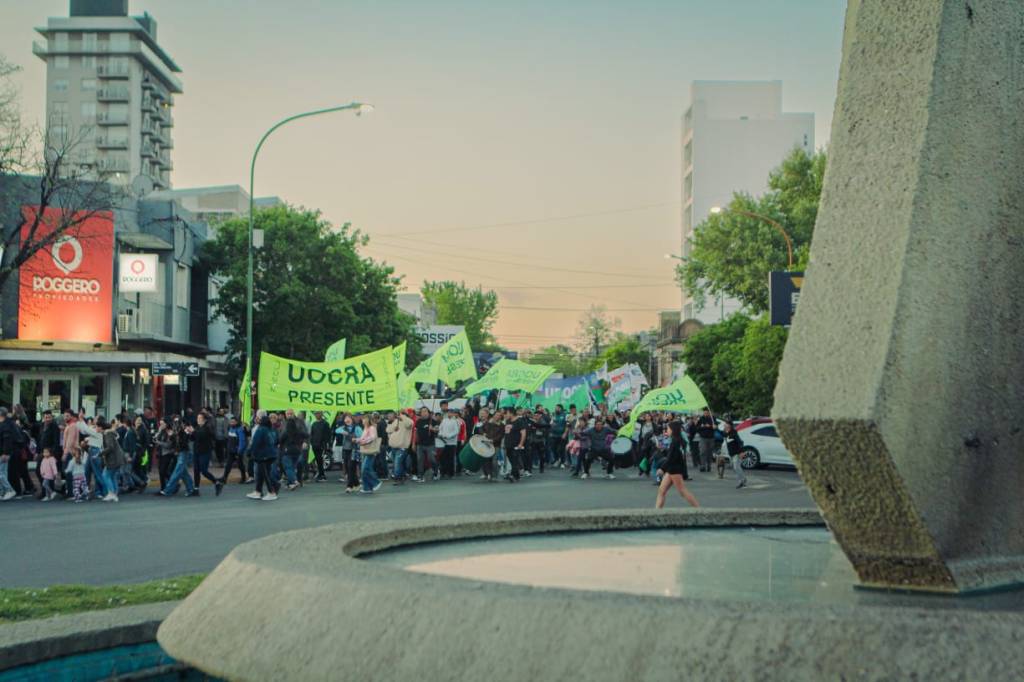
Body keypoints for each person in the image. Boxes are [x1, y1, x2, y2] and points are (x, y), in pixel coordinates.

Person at [656, 421, 700, 509]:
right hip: (672, 469)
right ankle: (657, 511)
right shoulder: (678, 440)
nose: (667, 430)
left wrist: (662, 469)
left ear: (673, 430)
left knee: (682, 491)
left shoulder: (675, 442)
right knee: (661, 490)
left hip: (675, 469)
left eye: (668, 429)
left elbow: (671, 458)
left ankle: (698, 509)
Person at [159, 418, 198, 498]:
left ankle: (168, 490)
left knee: (177, 472)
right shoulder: (177, 431)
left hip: (184, 452)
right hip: (180, 452)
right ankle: (191, 489)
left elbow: (186, 441)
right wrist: (172, 436)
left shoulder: (185, 431)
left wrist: (176, 435)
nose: (175, 425)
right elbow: (175, 442)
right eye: (174, 423)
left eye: (177, 423)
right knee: (183, 472)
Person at [246, 411, 279, 501]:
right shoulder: (271, 430)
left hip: (262, 455)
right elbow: (276, 441)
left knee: (265, 474)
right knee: (261, 473)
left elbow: (255, 442)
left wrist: (249, 452)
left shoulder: (260, 429)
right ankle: (258, 491)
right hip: (271, 454)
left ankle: (271, 492)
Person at [191, 412, 220, 494]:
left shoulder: (207, 427)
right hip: (196, 451)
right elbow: (193, 438)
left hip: (205, 452)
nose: (198, 420)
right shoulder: (197, 427)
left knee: (203, 470)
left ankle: (216, 482)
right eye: (197, 418)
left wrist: (193, 432)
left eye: (200, 418)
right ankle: (196, 488)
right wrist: (190, 433)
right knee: (196, 470)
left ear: (204, 419)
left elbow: (202, 435)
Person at [98, 417, 126, 502]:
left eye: (97, 427)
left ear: (101, 427)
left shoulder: (107, 434)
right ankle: (114, 493)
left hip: (114, 459)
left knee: (105, 475)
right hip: (117, 458)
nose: (96, 428)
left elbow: (110, 447)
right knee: (112, 476)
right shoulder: (108, 433)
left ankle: (111, 493)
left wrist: (101, 453)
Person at [386, 410, 414, 485]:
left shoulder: (408, 421)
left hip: (402, 447)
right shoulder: (395, 421)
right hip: (394, 447)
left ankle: (398, 478)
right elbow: (388, 430)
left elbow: (409, 424)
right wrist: (391, 424)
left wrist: (402, 417)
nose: (398, 415)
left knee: (397, 462)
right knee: (398, 463)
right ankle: (402, 476)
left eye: (401, 413)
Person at [336, 414, 363, 493]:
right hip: (345, 449)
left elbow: (361, 437)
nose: (347, 420)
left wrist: (356, 438)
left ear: (352, 419)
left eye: (348, 418)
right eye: (345, 419)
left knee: (351, 467)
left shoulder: (357, 428)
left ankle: (349, 486)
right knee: (349, 469)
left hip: (354, 449)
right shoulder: (343, 428)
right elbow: (336, 430)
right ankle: (357, 484)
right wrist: (343, 432)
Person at [221, 416, 249, 487]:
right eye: (231, 422)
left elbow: (242, 441)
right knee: (228, 465)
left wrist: (239, 451)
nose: (232, 423)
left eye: (233, 422)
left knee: (240, 465)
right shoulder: (231, 428)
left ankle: (243, 478)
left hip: (237, 451)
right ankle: (224, 478)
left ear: (236, 422)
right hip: (231, 450)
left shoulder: (240, 429)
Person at [413, 407, 438, 483]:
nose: (424, 413)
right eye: (422, 411)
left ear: (428, 412)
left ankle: (436, 472)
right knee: (420, 460)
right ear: (420, 413)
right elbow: (415, 433)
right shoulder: (418, 421)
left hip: (430, 444)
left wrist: (432, 429)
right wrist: (414, 443)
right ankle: (420, 476)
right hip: (420, 444)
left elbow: (437, 429)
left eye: (425, 411)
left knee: (431, 459)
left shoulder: (433, 421)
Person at [722, 420, 748, 489]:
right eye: (725, 424)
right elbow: (720, 433)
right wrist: (715, 428)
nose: (724, 425)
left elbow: (740, 442)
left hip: (737, 453)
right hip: (732, 454)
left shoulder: (734, 433)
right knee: (735, 468)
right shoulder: (725, 433)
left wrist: (742, 452)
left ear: (729, 425)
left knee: (736, 467)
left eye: (726, 424)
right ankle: (743, 479)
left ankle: (741, 481)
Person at [309, 411, 332, 483]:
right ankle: (320, 474)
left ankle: (322, 475)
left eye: (318, 413)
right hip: (314, 445)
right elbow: (312, 434)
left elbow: (328, 435)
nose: (317, 415)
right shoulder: (314, 424)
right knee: (317, 460)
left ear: (321, 414)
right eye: (316, 414)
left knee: (320, 460)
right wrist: (311, 442)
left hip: (322, 445)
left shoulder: (325, 423)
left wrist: (326, 444)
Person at [437, 409, 461, 479]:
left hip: (452, 443)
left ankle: (451, 473)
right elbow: (440, 429)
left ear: (453, 414)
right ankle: (443, 472)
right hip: (443, 442)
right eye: (449, 413)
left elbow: (456, 431)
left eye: (451, 413)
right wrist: (440, 434)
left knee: (450, 459)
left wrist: (449, 436)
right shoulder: (444, 420)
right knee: (443, 458)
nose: (450, 414)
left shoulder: (455, 421)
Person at [696, 407, 717, 472]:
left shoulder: (713, 418)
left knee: (709, 452)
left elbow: (716, 427)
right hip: (703, 438)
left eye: (707, 413)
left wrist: (713, 426)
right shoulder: (701, 419)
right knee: (702, 451)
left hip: (711, 438)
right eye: (704, 413)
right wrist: (704, 426)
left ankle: (709, 465)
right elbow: (697, 428)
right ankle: (703, 465)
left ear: (709, 412)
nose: (705, 414)